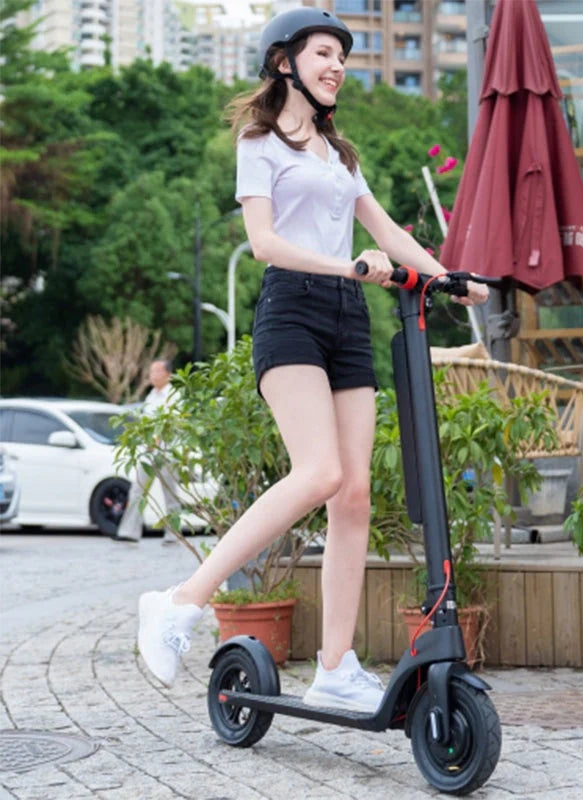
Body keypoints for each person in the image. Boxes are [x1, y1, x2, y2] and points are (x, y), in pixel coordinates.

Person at [135, 7, 488, 711]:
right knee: (319, 472)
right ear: (283, 62)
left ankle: (334, 666)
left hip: (347, 318)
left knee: (353, 492)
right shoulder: (259, 141)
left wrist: (451, 277)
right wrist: (345, 266)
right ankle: (180, 599)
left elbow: (384, 229)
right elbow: (264, 243)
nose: (337, 67)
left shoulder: (341, 155)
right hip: (291, 310)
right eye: (325, 53)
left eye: (344, 58)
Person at [114, 357, 182, 544]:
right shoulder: (151, 396)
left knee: (171, 495)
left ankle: (173, 535)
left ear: (168, 374)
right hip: (148, 453)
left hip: (168, 453)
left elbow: (172, 422)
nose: (152, 375)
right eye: (151, 372)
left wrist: (157, 438)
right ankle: (129, 532)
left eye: (157, 371)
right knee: (137, 490)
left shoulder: (174, 395)